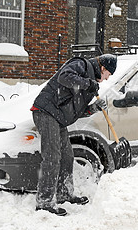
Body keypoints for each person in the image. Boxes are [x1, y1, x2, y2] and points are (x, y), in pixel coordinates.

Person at [30, 54, 117, 216]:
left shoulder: (90, 84)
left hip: (58, 117)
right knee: (52, 157)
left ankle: (64, 193)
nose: (106, 79)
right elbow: (64, 77)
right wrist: (87, 84)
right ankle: (44, 202)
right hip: (46, 112)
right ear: (103, 68)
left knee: (67, 156)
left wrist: (93, 108)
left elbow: (76, 110)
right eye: (108, 75)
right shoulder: (82, 65)